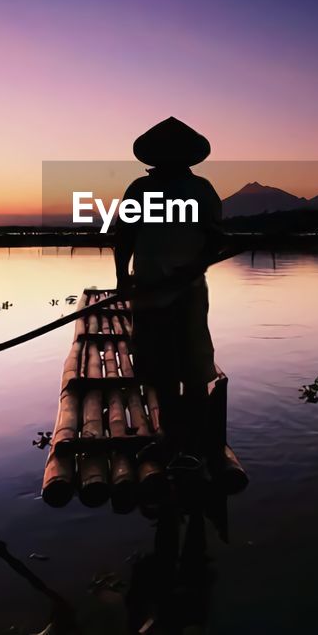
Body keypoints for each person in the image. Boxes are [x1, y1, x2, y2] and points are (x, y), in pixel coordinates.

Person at [115, 117, 223, 465]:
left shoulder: (202, 190)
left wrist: (196, 266)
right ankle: (169, 439)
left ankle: (192, 443)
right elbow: (125, 237)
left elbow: (215, 240)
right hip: (148, 290)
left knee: (192, 368)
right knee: (160, 371)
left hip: (188, 292)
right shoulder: (139, 189)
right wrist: (122, 278)